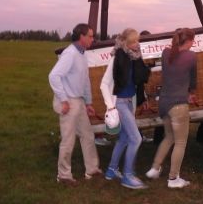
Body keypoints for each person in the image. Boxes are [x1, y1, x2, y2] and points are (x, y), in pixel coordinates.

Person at [49, 23, 102, 187]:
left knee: (88, 135)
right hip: (69, 103)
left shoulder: (82, 54)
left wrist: (88, 102)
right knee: (68, 140)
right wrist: (63, 100)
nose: (93, 39)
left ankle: (92, 169)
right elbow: (53, 76)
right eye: (91, 36)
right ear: (81, 37)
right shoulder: (70, 54)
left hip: (78, 102)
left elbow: (85, 80)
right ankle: (64, 175)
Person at [145, 28, 197, 188]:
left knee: (169, 137)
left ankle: (154, 168)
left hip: (164, 104)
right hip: (178, 104)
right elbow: (193, 80)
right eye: (192, 40)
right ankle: (173, 179)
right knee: (180, 142)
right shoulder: (191, 56)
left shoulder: (165, 53)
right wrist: (192, 92)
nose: (193, 43)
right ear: (188, 41)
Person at [100, 28, 150, 189]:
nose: (137, 44)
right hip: (119, 103)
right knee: (136, 138)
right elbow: (104, 84)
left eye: (138, 41)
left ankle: (111, 170)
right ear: (126, 43)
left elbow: (137, 83)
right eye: (134, 41)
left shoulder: (134, 58)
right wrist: (111, 106)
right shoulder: (117, 57)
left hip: (129, 102)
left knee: (124, 139)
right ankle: (127, 176)